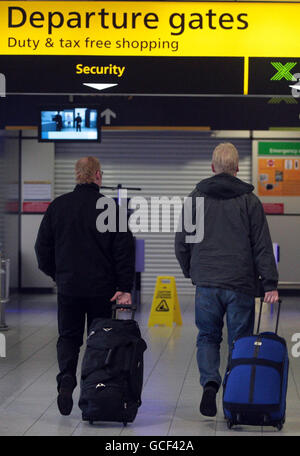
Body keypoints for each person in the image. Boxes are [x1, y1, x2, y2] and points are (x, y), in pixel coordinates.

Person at [175, 143, 279, 418]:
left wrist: (191, 271)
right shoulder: (250, 201)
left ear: (212, 168)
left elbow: (181, 242)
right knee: (239, 341)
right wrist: (269, 283)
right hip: (240, 284)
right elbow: (262, 245)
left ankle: (210, 383)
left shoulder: (196, 197)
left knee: (208, 336)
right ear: (237, 168)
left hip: (207, 281)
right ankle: (235, 393)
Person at [35, 156, 135, 416]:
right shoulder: (111, 209)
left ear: (77, 175)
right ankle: (95, 389)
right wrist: (124, 286)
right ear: (98, 176)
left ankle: (66, 379)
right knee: (99, 340)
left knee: (68, 337)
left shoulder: (58, 206)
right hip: (102, 289)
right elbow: (124, 251)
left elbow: (41, 249)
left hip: (69, 287)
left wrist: (57, 275)